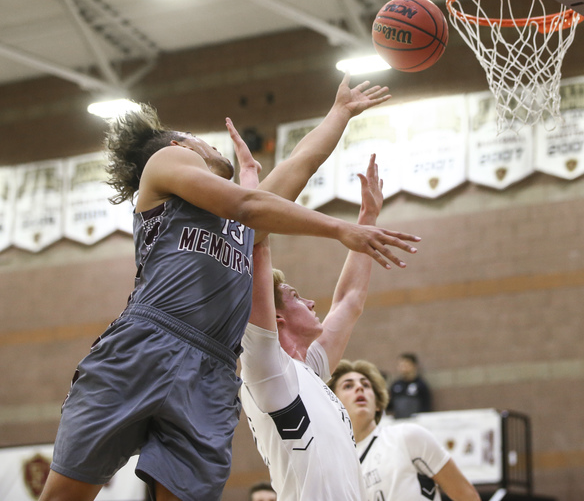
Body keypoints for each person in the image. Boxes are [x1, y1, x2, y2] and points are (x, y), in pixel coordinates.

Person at [38, 74, 420, 501]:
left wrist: (340, 114)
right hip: (149, 342)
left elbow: (299, 164)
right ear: (180, 146)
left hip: (213, 370)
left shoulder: (243, 228)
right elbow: (246, 202)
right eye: (200, 140)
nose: (212, 145)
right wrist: (340, 229)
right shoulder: (165, 161)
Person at [239, 154, 388, 501]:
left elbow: (350, 300)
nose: (310, 303)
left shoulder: (311, 370)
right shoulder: (267, 368)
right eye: (295, 296)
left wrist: (367, 218)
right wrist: (249, 182)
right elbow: (256, 248)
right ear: (276, 318)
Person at [328, 359, 481, 501]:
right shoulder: (334, 467)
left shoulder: (407, 436)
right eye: (348, 386)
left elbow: (466, 495)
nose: (359, 388)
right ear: (333, 404)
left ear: (378, 405)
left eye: (366, 385)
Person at [388, 352, 433, 418]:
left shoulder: (420, 385)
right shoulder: (395, 385)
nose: (403, 368)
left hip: (415, 422)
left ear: (413, 366)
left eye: (406, 365)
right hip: (399, 422)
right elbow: (389, 405)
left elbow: (426, 406)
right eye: (401, 365)